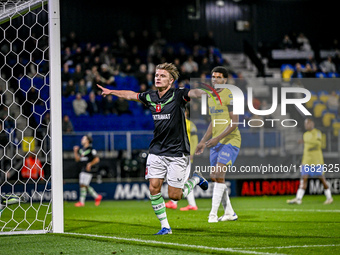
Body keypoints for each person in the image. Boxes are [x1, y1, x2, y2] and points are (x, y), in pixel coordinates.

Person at [97, 62, 208, 235]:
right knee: (154, 187)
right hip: (156, 150)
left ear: (171, 80)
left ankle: (195, 179)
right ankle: (165, 226)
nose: (158, 78)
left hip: (177, 152)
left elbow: (194, 92)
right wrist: (111, 91)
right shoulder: (150, 96)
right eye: (156, 75)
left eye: (162, 75)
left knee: (175, 196)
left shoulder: (179, 95)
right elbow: (131, 95)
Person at [195, 66, 241, 223]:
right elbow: (213, 123)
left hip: (230, 140)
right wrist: (202, 141)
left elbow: (234, 123)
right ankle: (229, 213)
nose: (215, 79)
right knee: (216, 178)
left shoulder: (231, 94)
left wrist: (217, 138)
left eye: (219, 77)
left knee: (217, 174)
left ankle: (212, 215)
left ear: (225, 80)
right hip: (216, 142)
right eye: (213, 77)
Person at [287, 118, 333, 205]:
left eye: (308, 123)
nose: (306, 125)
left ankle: (329, 197)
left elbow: (318, 144)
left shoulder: (317, 133)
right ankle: (298, 198)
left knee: (322, 179)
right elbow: (308, 148)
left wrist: (306, 142)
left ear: (312, 124)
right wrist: (303, 161)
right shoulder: (305, 134)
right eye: (305, 124)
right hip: (307, 161)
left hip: (317, 161)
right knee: (304, 179)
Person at [165, 104, 199, 211]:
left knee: (181, 179)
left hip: (186, 155)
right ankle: (192, 204)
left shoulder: (190, 124)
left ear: (186, 113)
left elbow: (194, 140)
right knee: (183, 180)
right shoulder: (175, 124)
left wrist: (192, 152)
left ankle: (174, 202)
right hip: (177, 154)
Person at [74, 135, 102, 207]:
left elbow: (97, 159)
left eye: (84, 138)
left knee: (83, 185)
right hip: (82, 168)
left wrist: (90, 164)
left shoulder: (91, 149)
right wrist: (75, 152)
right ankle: (97, 197)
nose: (82, 140)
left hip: (89, 169)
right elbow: (77, 159)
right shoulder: (81, 150)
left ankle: (82, 202)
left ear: (87, 141)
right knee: (83, 185)